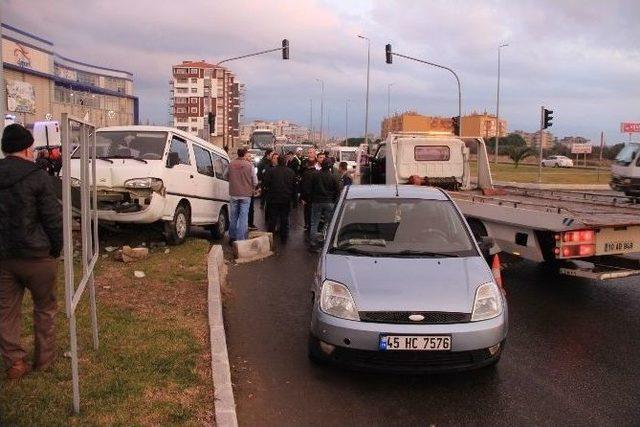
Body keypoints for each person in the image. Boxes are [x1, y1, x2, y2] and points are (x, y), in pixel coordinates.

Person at [0, 124, 62, 380]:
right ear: (27, 149)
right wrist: (55, 248)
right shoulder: (39, 177)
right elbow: (52, 218)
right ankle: (44, 359)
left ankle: (15, 362)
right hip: (38, 255)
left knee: (6, 312)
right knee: (45, 308)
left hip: (3, 257)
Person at [262, 155, 297, 243]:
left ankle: (270, 238)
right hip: (286, 199)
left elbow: (266, 184)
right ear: (285, 162)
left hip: (273, 199)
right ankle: (284, 238)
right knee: (284, 219)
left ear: (277, 161)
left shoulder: (271, 171)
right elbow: (294, 187)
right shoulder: (291, 172)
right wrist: (295, 201)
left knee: (272, 219)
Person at [309, 158, 342, 251]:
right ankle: (326, 243)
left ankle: (313, 244)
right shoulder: (333, 177)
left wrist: (311, 199)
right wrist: (334, 200)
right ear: (330, 166)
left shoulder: (315, 175)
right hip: (329, 202)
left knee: (314, 223)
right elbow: (337, 191)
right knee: (329, 223)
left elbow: (311, 188)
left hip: (317, 201)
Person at [228, 147, 257, 244]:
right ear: (244, 154)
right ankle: (240, 240)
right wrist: (252, 187)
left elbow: (225, 175)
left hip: (234, 193)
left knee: (233, 217)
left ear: (237, 153)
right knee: (243, 218)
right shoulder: (249, 165)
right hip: (246, 195)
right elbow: (255, 181)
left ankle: (232, 237)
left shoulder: (231, 164)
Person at [299, 157, 318, 237]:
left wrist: (302, 197)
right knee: (314, 213)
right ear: (315, 164)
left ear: (307, 165)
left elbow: (303, 185)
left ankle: (307, 225)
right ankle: (312, 227)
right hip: (315, 196)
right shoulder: (317, 173)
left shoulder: (305, 173)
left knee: (307, 211)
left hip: (307, 196)